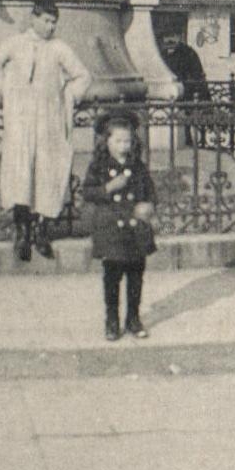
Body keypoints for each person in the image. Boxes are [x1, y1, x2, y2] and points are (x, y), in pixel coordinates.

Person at [0, 0, 92, 261]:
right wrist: (4, 90)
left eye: (54, 22)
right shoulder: (15, 44)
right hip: (21, 122)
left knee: (46, 173)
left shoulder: (58, 49)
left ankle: (42, 231)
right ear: (33, 18)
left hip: (48, 122)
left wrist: (67, 96)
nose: (50, 26)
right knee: (21, 174)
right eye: (46, 20)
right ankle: (22, 233)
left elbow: (83, 76)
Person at [82, 111, 157, 340]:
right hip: (111, 229)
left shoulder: (138, 166)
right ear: (106, 141)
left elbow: (150, 192)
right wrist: (109, 188)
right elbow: (88, 192)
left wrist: (148, 206)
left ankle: (133, 318)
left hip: (135, 230)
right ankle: (112, 320)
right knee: (112, 277)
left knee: (136, 275)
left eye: (127, 141)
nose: (124, 146)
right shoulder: (99, 166)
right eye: (118, 141)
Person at [159, 28, 212, 146]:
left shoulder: (188, 53)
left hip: (186, 93)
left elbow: (198, 74)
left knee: (186, 124)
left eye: (173, 35)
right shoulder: (160, 54)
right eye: (167, 36)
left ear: (179, 37)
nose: (169, 40)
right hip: (166, 93)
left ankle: (188, 141)